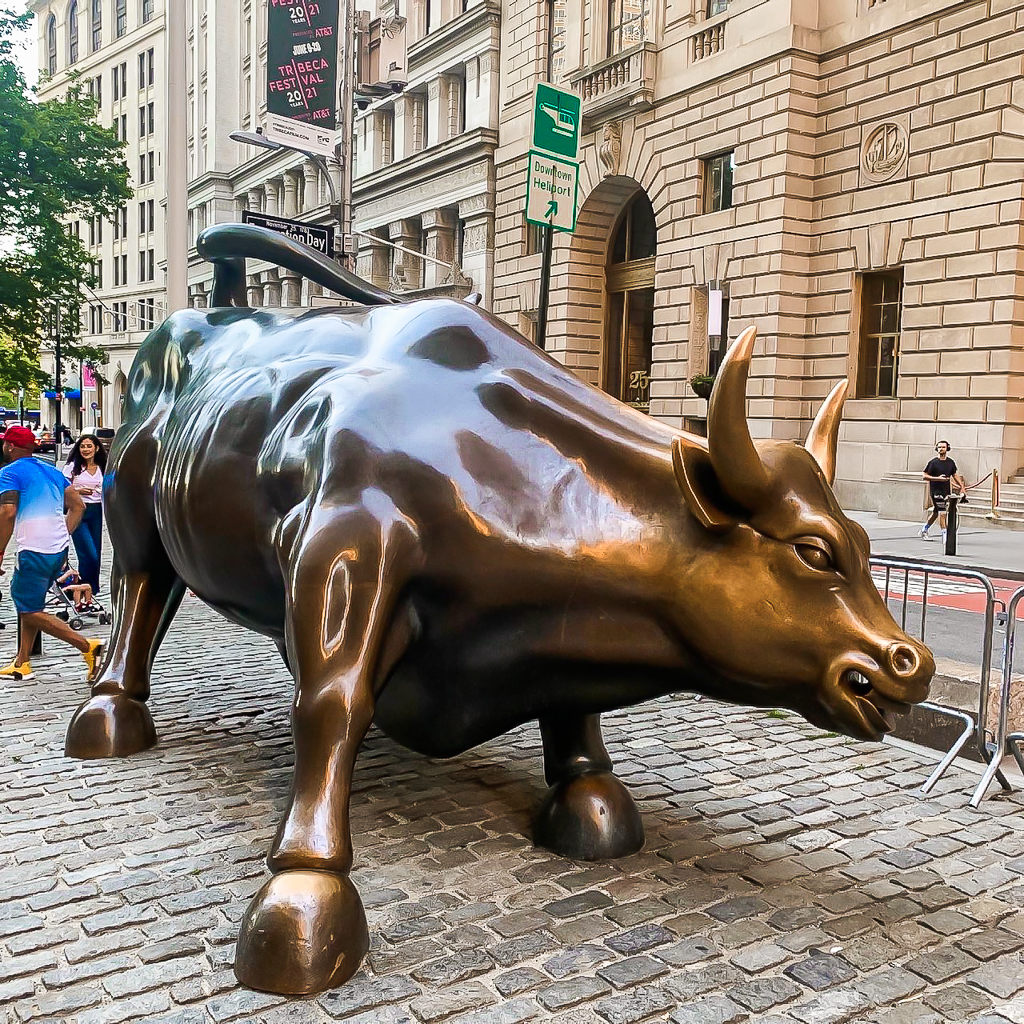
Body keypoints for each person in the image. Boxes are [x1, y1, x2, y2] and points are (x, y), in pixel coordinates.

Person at [0, 425, 103, 680]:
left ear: (10, 446)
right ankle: (22, 661)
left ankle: (87, 646)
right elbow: (78, 506)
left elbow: (7, 512)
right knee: (31, 601)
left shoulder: (9, 473)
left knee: (28, 608)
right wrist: (62, 534)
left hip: (34, 550)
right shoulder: (52, 471)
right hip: (58, 550)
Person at [62, 433, 106, 594]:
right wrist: (78, 490)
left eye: (89, 446)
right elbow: (61, 488)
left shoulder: (103, 467)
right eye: (82, 446)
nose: (85, 449)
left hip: (96, 511)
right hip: (78, 511)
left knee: (97, 554)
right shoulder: (72, 467)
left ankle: (91, 591)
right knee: (89, 554)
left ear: (96, 448)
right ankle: (84, 589)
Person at [920, 440, 967, 543]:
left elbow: (955, 475)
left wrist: (962, 487)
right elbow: (924, 476)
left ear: (947, 448)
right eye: (939, 447)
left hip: (946, 490)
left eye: (943, 447)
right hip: (935, 491)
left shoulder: (950, 462)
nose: (941, 449)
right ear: (937, 449)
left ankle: (924, 529)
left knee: (936, 512)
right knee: (942, 512)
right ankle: (944, 535)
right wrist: (938, 478)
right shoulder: (933, 463)